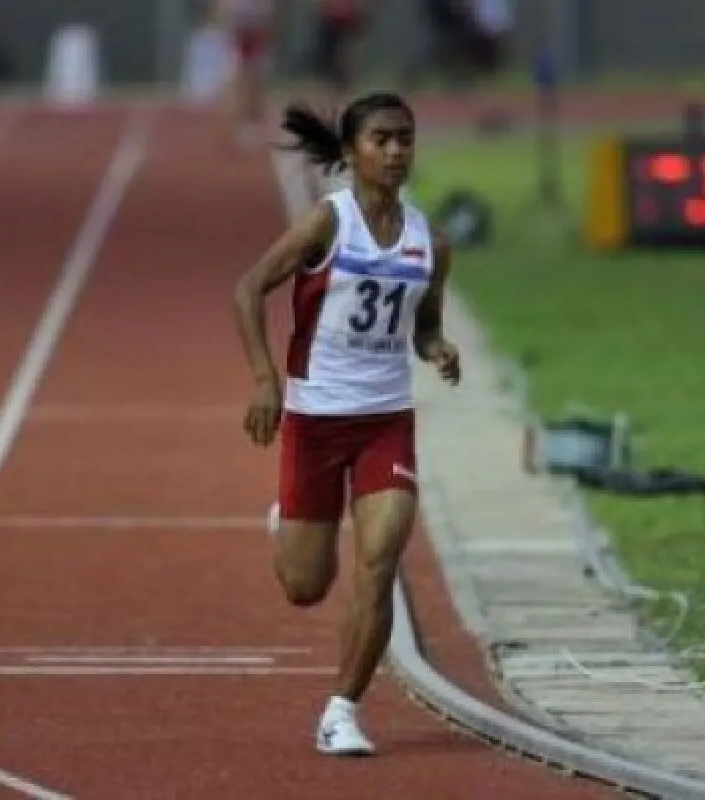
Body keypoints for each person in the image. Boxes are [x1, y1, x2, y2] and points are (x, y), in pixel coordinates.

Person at [232, 91, 462, 756]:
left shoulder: (430, 242)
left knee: (380, 561)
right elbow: (248, 289)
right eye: (380, 140)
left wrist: (438, 348)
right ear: (351, 152)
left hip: (385, 422)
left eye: (405, 139)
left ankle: (342, 711)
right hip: (316, 422)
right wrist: (265, 379)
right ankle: (291, 517)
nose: (395, 152)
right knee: (305, 587)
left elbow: (425, 325)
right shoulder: (327, 224)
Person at [217, 0, 274, 147]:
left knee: (255, 76)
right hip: (242, 26)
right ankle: (244, 120)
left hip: (255, 25)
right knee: (243, 74)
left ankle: (252, 118)